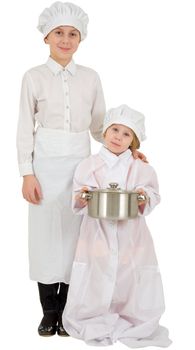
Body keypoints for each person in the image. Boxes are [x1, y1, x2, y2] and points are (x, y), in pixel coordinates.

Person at [16, 1, 106, 337]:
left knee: (76, 237)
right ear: (46, 37)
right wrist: (27, 173)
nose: (65, 40)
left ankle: (67, 312)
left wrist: (131, 148)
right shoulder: (33, 77)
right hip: (45, 165)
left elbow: (99, 127)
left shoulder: (91, 78)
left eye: (72, 34)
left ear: (80, 39)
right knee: (44, 237)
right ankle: (47, 312)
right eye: (59, 33)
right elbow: (25, 127)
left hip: (80, 164)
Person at [63, 104, 172, 347]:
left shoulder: (141, 167)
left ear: (134, 141)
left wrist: (144, 195)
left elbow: (154, 194)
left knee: (129, 274)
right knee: (97, 271)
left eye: (126, 134)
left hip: (131, 232)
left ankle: (130, 314)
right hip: (96, 231)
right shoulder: (88, 165)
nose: (118, 137)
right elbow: (78, 197)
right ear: (105, 131)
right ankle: (94, 313)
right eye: (115, 129)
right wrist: (83, 195)